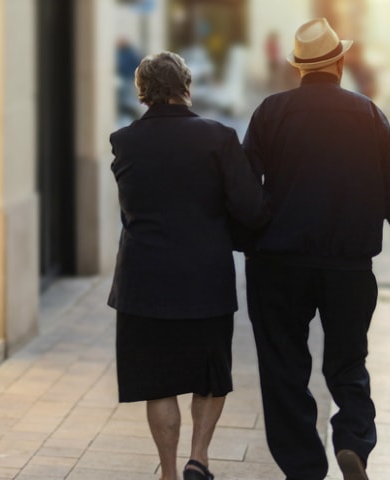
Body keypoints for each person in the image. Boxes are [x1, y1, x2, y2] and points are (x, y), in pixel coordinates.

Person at [242, 18, 390, 480]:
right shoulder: (367, 114)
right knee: (348, 361)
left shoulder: (271, 112)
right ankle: (353, 441)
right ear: (340, 63)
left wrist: (253, 235)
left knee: (284, 367)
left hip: (278, 262)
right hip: (348, 264)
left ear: (299, 68)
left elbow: (244, 188)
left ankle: (304, 468)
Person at [108, 52, 269, 480]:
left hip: (143, 280)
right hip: (204, 277)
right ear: (187, 86)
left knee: (157, 381)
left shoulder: (124, 140)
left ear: (141, 92)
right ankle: (199, 458)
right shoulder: (218, 137)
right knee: (210, 374)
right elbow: (251, 209)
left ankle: (167, 473)